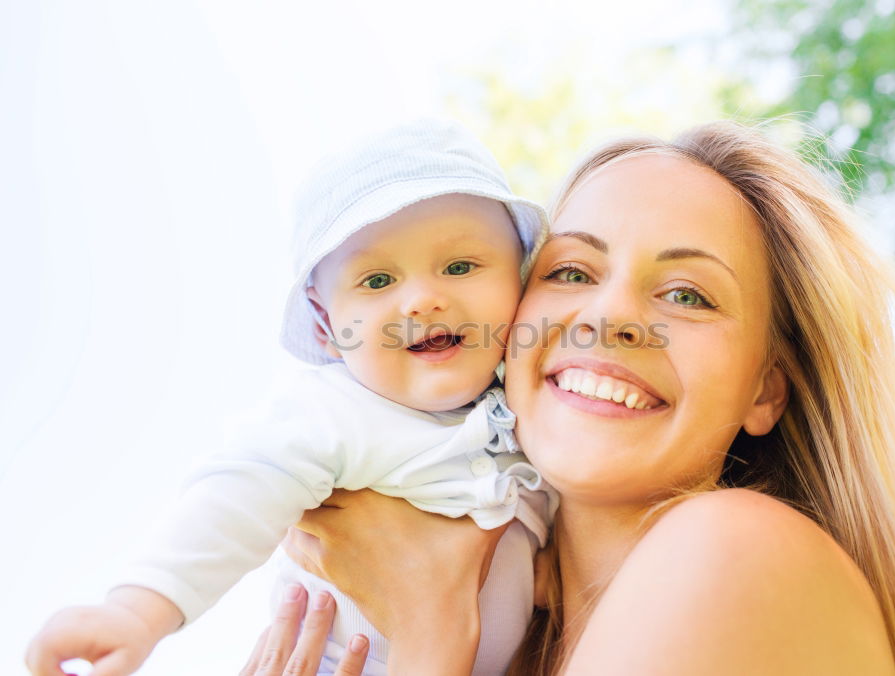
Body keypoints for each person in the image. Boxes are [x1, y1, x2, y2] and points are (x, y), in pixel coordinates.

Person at [249, 121, 895, 675]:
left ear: (765, 391)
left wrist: (432, 637)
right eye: (572, 272)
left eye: (687, 294)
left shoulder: (733, 548)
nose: (607, 318)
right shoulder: (526, 641)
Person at [25, 119, 558, 676]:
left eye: (460, 266)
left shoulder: (536, 419)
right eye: (377, 281)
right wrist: (138, 611)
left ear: (520, 282)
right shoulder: (334, 411)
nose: (423, 299)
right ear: (326, 324)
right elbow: (237, 495)